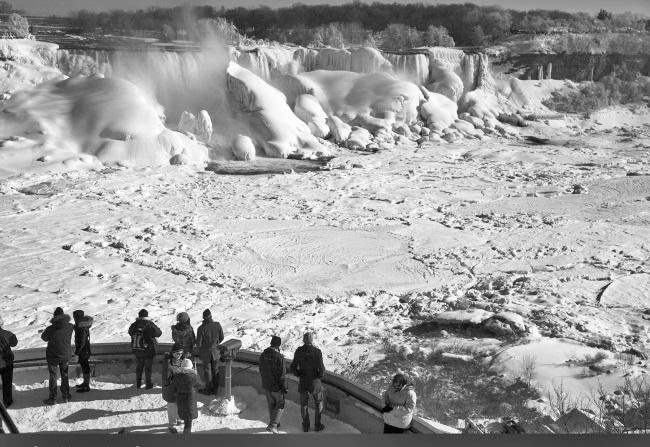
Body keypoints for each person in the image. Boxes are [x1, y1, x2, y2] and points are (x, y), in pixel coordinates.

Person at [290, 332, 325, 432]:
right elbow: (322, 369)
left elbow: (293, 367)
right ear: (312, 340)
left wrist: (299, 374)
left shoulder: (299, 351)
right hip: (315, 382)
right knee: (318, 403)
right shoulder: (317, 351)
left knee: (304, 404)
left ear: (303, 340)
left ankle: (306, 426)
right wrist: (319, 376)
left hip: (303, 381)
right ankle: (317, 425)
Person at [41, 307, 74, 405]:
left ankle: (53, 398)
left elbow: (44, 338)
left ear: (54, 316)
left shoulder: (50, 328)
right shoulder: (70, 326)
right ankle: (66, 396)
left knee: (53, 377)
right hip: (65, 355)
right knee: (65, 376)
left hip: (52, 356)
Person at [259, 335, 287, 434]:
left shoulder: (263, 354)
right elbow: (282, 375)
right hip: (276, 387)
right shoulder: (279, 357)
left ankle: (274, 423)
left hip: (266, 385)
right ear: (278, 345)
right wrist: (284, 387)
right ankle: (273, 425)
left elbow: (261, 370)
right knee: (280, 405)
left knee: (271, 405)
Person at [128, 309, 162, 389]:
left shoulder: (134, 324)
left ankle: (138, 384)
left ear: (139, 315)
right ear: (147, 316)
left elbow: (130, 332)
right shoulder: (149, 324)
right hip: (148, 349)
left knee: (139, 366)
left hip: (137, 349)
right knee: (148, 367)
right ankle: (148, 384)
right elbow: (159, 333)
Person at [195, 309, 224, 395]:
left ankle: (208, 389)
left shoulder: (201, 328)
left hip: (205, 353)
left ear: (203, 318)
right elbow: (222, 337)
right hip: (216, 352)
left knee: (207, 371)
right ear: (211, 316)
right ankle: (215, 390)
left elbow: (199, 343)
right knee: (216, 370)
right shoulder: (217, 325)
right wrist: (215, 344)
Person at [162, 344, 184, 433]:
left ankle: (179, 419)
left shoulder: (183, 360)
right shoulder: (168, 361)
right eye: (177, 353)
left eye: (181, 353)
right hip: (171, 387)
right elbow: (165, 375)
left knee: (180, 404)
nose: (179, 355)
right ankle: (172, 423)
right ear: (173, 353)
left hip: (180, 387)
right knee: (171, 405)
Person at [172, 358, 198, 434]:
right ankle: (186, 434)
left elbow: (175, 385)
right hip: (190, 400)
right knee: (189, 419)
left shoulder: (176, 376)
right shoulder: (194, 376)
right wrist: (196, 374)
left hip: (181, 398)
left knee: (184, 413)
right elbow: (199, 385)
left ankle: (186, 429)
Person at [72, 310, 94, 393]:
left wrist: (77, 353)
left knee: (85, 366)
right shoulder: (83, 325)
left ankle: (86, 386)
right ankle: (85, 383)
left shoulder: (81, 327)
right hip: (85, 349)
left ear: (76, 317)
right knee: (85, 366)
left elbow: (82, 341)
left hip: (83, 350)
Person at [0, 316, 18, 408]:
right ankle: (7, 402)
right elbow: (14, 343)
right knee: (7, 383)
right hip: (6, 363)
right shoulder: (7, 334)